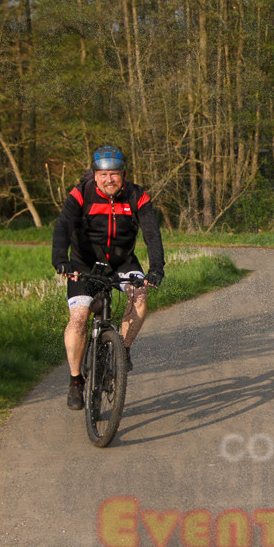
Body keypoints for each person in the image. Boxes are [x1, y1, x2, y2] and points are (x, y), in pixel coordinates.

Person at [52, 146, 165, 410]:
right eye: (103, 175)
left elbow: (152, 235)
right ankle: (76, 380)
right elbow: (63, 228)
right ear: (94, 175)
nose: (109, 180)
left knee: (139, 295)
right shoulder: (81, 194)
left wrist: (156, 268)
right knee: (79, 318)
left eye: (114, 174)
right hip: (83, 264)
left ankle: (122, 350)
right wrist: (61, 260)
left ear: (123, 174)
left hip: (122, 261)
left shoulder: (137, 195)